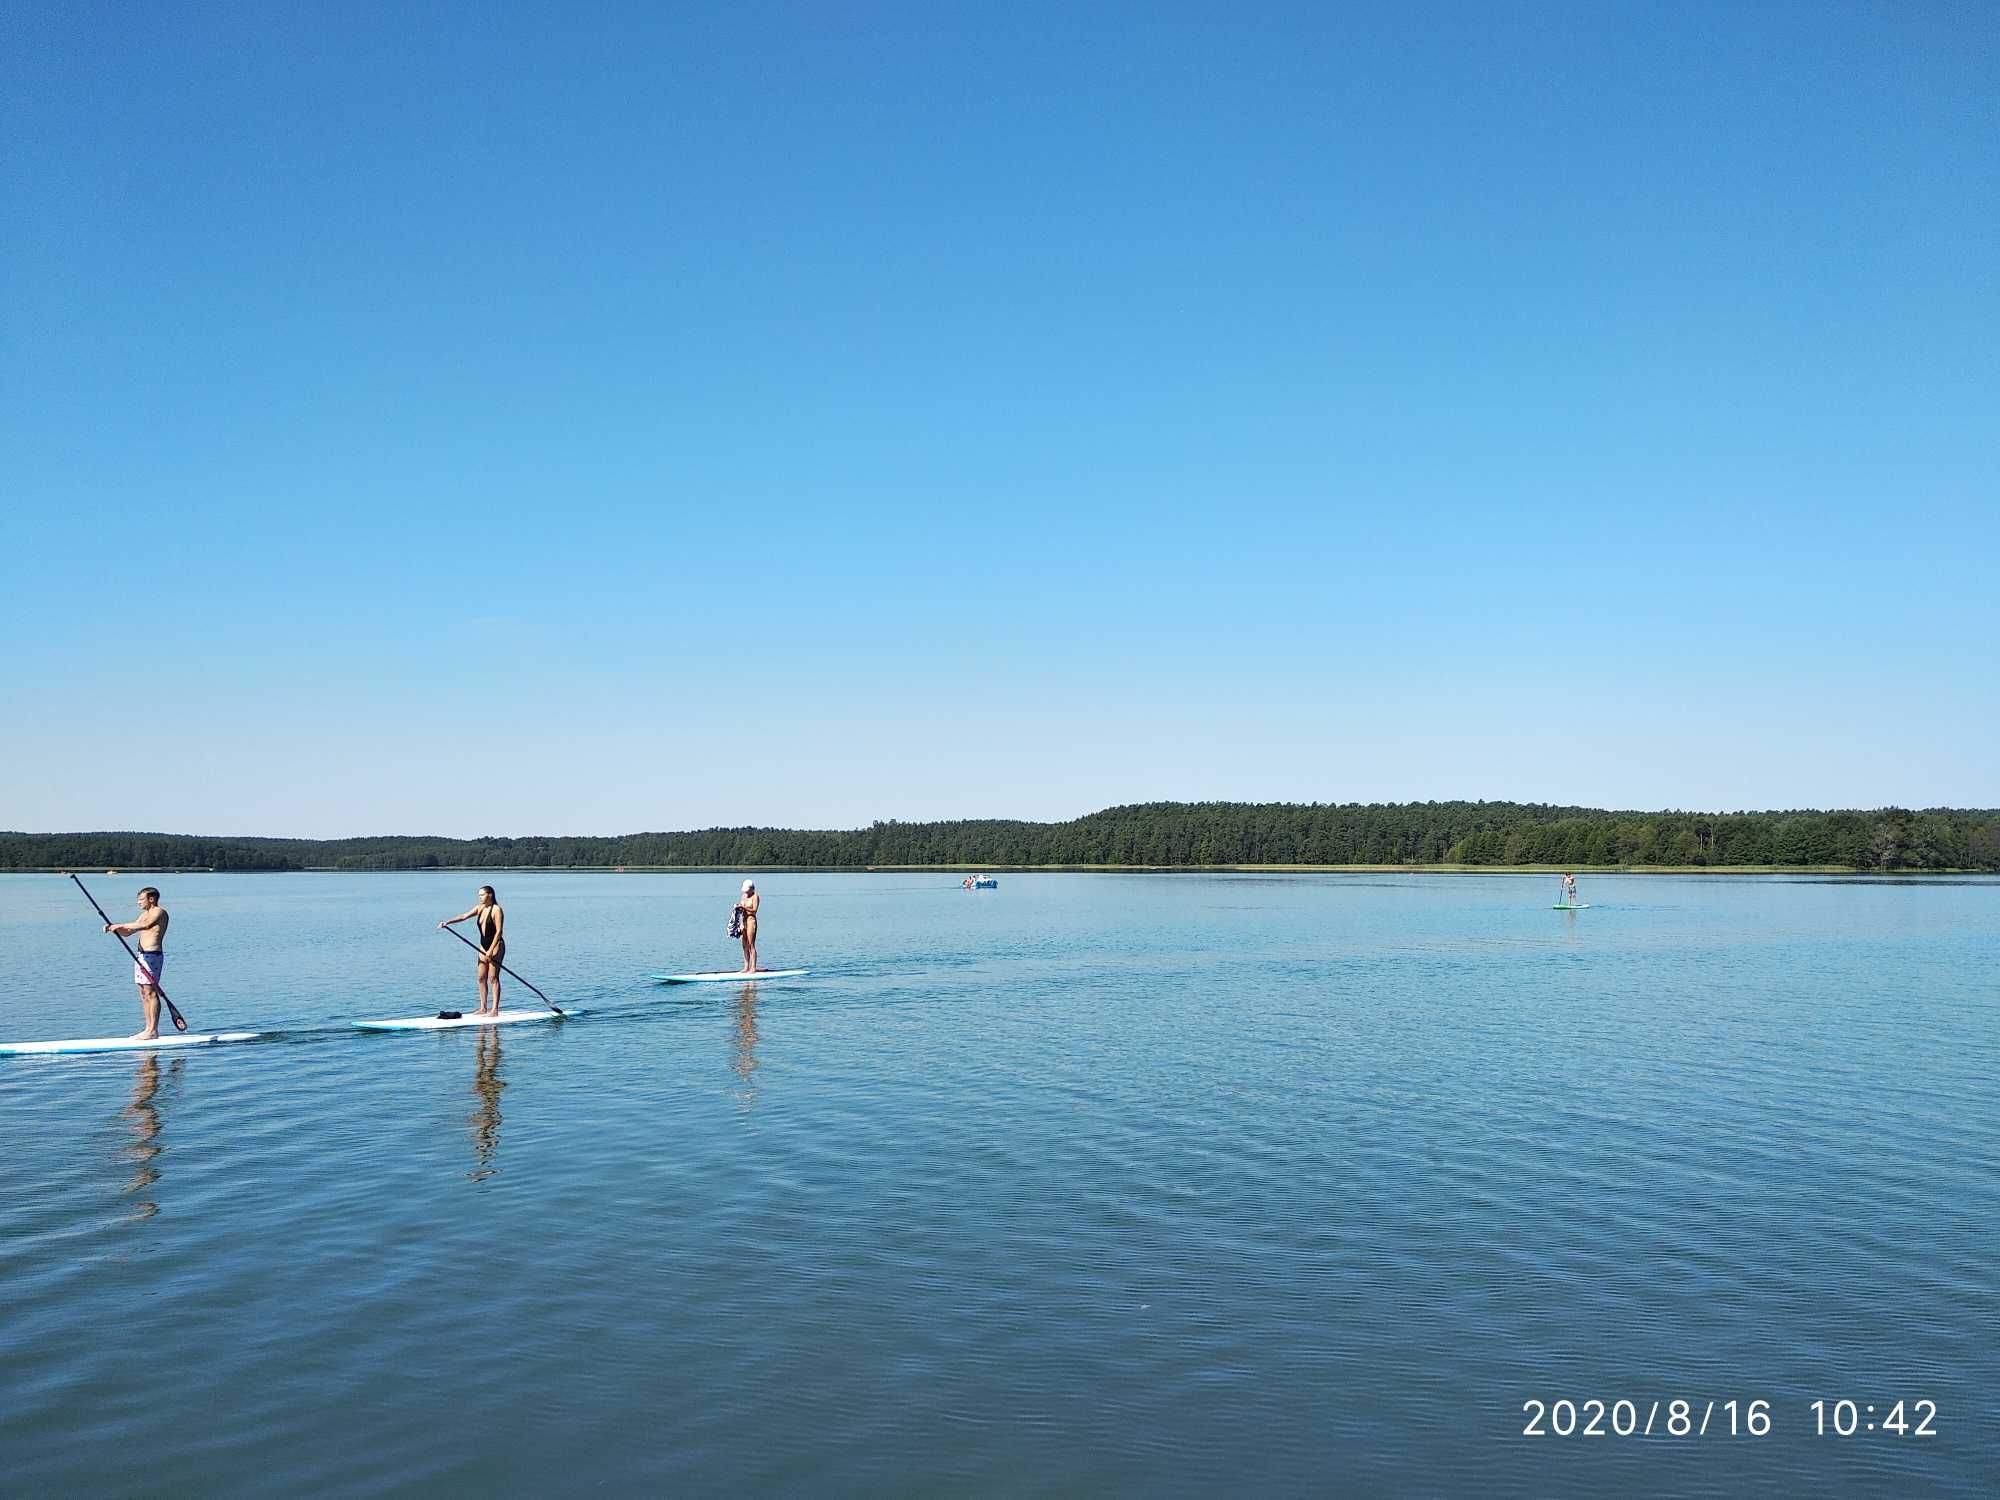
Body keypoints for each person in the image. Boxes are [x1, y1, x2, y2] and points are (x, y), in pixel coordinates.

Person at [105, 886, 170, 1039]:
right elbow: (128, 933)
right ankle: (148, 1028)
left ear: (151, 899)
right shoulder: (143, 915)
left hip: (152, 956)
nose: (138, 902)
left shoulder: (159, 912)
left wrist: (120, 925)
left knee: (151, 992)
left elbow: (146, 926)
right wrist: (114, 929)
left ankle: (153, 1030)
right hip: (141, 956)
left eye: (141, 899)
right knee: (143, 992)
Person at [440, 886, 506, 1015]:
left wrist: (491, 950)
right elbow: (464, 916)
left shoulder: (497, 910)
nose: (480, 897)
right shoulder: (480, 908)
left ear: (490, 895)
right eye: (479, 895)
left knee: (493, 978)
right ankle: (483, 1008)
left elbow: (499, 931)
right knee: (481, 977)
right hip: (482, 947)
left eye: (482, 895)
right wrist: (447, 922)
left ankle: (495, 1010)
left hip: (496, 946)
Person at [734, 880, 760, 974]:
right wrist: (738, 908)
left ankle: (753, 967)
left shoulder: (755, 896)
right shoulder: (744, 896)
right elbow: (742, 908)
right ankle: (746, 967)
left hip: (751, 920)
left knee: (751, 944)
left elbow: (754, 910)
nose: (745, 892)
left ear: (751, 888)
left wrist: (744, 908)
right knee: (744, 945)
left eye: (747, 890)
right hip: (743, 921)